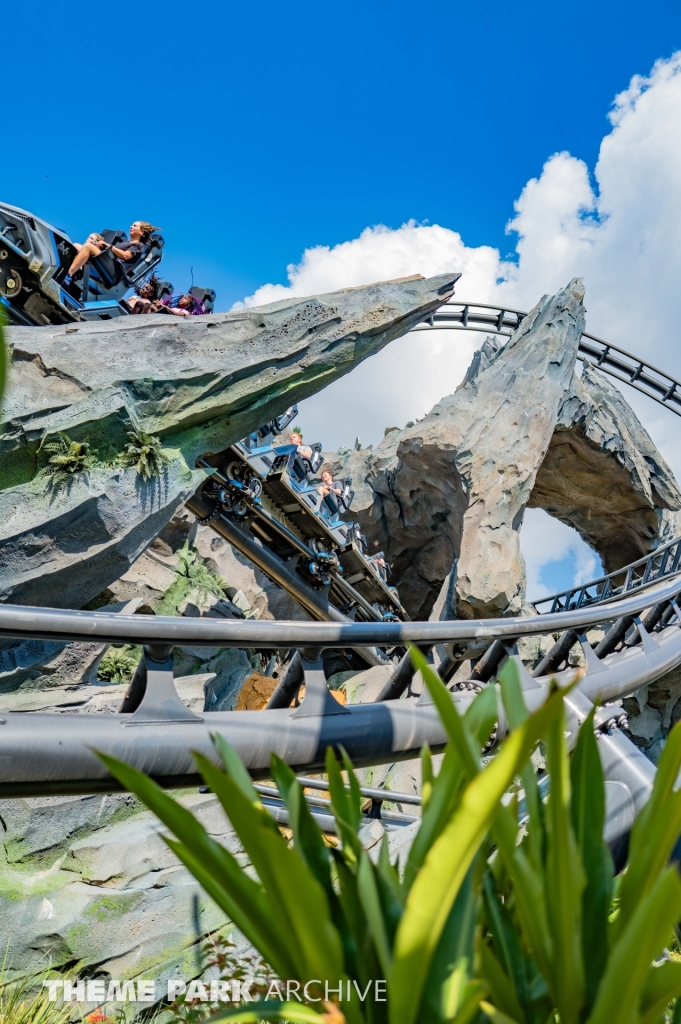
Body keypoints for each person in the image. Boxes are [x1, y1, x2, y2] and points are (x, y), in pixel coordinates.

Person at [68, 220, 159, 277]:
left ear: (142, 232)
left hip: (113, 268)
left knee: (87, 246)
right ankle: (76, 269)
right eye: (131, 225)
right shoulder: (126, 243)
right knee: (76, 245)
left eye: (135, 226)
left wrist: (108, 245)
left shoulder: (139, 245)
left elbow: (125, 256)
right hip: (107, 260)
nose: (131, 227)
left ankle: (69, 273)